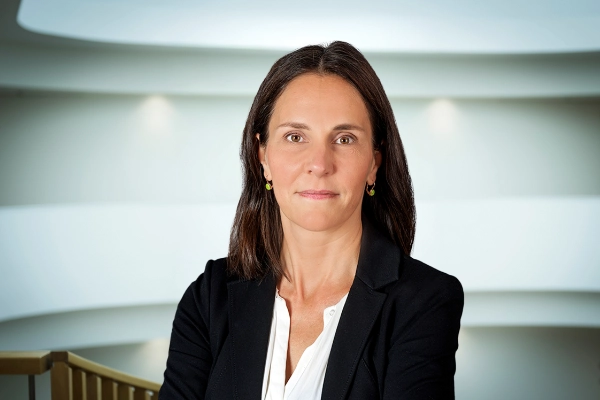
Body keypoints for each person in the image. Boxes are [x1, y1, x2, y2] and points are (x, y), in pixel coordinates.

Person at [159, 41, 463, 400]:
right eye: (295, 137)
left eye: (345, 138)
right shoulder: (210, 297)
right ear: (262, 156)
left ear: (374, 162)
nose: (319, 164)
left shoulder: (424, 302)